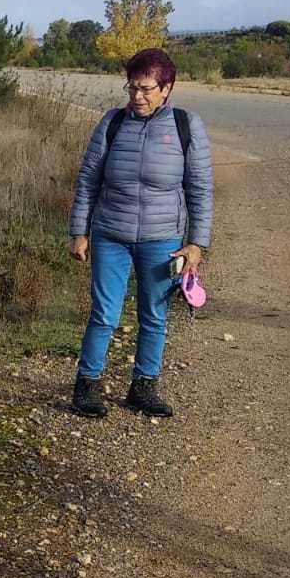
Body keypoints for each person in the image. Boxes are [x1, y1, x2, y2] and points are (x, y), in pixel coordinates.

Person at [67, 48, 214, 419]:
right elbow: (88, 181)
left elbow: (200, 188)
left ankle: (143, 387)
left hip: (162, 241)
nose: (137, 97)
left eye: (146, 89)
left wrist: (196, 244)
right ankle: (86, 386)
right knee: (104, 313)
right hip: (110, 236)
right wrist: (79, 232)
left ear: (167, 88)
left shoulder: (186, 125)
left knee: (154, 315)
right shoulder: (112, 123)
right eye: (132, 88)